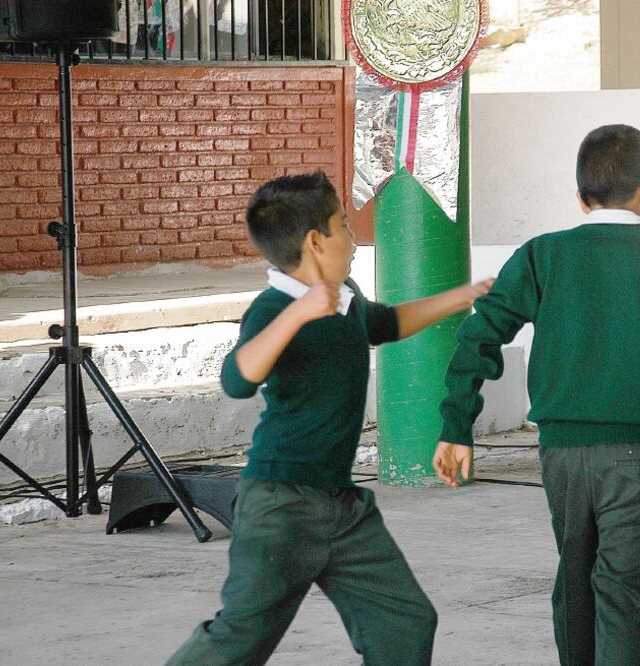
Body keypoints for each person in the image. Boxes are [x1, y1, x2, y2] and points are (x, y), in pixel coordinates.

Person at [432, 124, 640, 665]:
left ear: (580, 196)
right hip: (639, 455)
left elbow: (479, 334)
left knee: (575, 584)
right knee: (628, 594)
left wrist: (458, 425)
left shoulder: (542, 255)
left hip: (561, 456)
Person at [168, 171, 492, 665]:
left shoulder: (347, 299)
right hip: (281, 505)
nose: (354, 240)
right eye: (344, 225)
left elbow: (386, 323)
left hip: (344, 509)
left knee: (404, 622)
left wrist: (465, 296)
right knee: (239, 640)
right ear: (317, 241)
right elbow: (237, 379)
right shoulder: (274, 307)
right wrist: (296, 317)